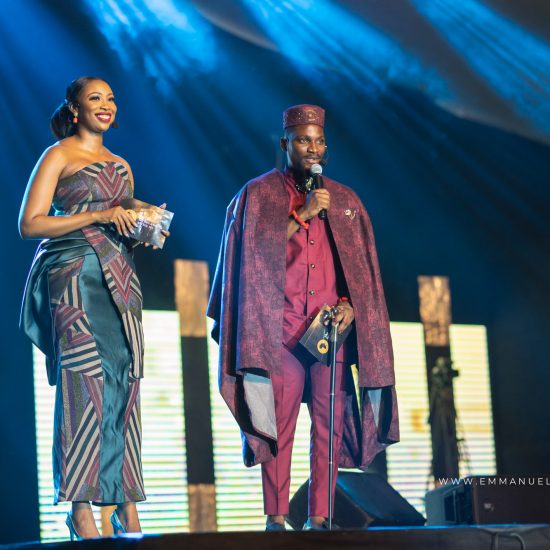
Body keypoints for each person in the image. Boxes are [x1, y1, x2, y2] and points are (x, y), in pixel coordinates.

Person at [207, 104, 399, 531]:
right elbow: (251, 258)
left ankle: (320, 517)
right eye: (303, 140)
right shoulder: (258, 194)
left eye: (319, 141)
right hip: (278, 331)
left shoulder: (345, 201)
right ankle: (276, 518)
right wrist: (303, 214)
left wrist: (351, 304)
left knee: (330, 424)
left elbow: (360, 271)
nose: (312, 148)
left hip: (329, 330)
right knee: (278, 423)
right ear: (285, 144)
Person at [19, 76, 167, 539]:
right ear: (75, 109)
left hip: (120, 279)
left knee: (124, 382)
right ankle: (79, 507)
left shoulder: (121, 165)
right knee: (82, 385)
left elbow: (122, 220)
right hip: (72, 278)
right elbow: (30, 224)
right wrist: (100, 214)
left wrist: (146, 223)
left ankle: (126, 504)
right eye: (95, 98)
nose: (106, 105)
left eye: (111, 99)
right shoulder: (58, 154)